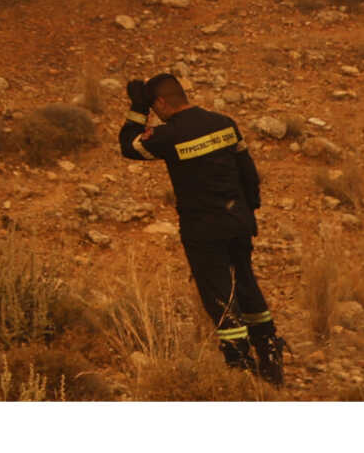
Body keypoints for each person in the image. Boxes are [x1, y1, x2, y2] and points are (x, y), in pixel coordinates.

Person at [120, 73, 281, 384]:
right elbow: (248, 171)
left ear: (162, 103)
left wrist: (137, 109)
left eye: (155, 107)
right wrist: (249, 210)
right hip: (238, 221)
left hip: (204, 229)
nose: (156, 114)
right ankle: (271, 353)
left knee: (219, 294)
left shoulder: (169, 136)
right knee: (246, 283)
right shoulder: (224, 123)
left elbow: (129, 146)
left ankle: (239, 365)